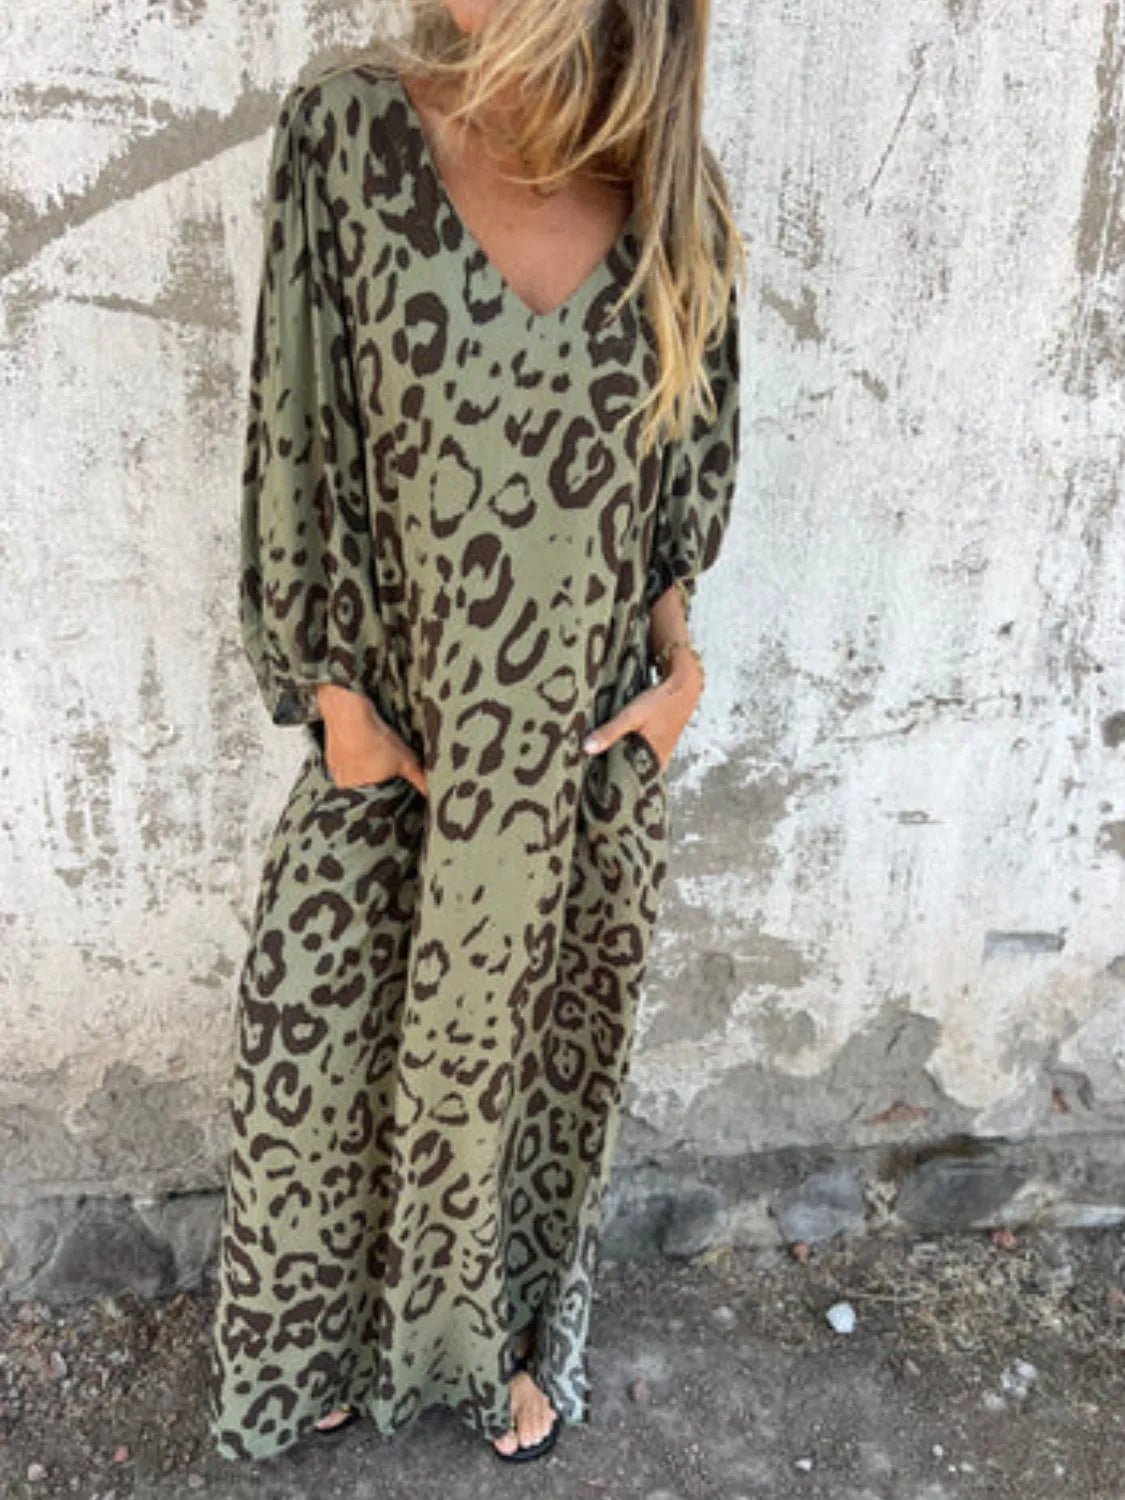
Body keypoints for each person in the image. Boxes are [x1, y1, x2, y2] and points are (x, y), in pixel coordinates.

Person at [206, 0, 743, 1466]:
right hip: (396, 740)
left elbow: (673, 494)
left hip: (573, 770)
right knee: (328, 1056)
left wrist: (680, 665)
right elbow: (296, 433)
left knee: (526, 1077)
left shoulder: (673, 196)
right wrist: (333, 701)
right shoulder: (349, 134)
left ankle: (489, 1340)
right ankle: (323, 1337)